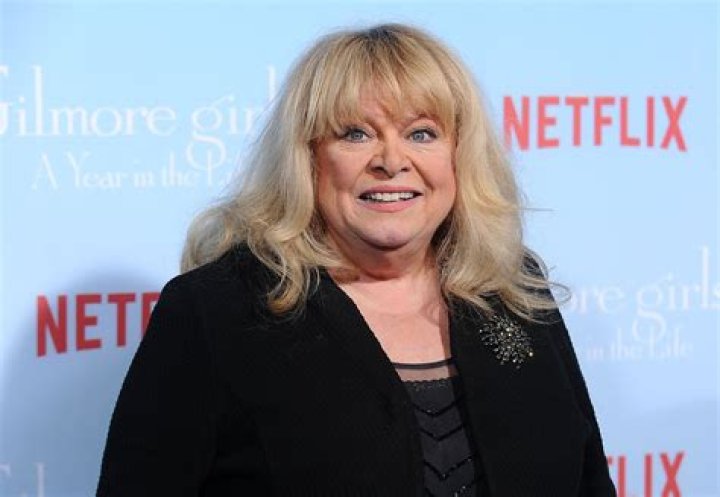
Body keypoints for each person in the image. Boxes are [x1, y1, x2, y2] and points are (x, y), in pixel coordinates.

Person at [96, 23, 616, 496]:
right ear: (308, 158)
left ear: (459, 155)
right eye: (355, 134)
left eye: (421, 133)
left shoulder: (510, 287)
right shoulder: (216, 310)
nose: (391, 161)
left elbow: (588, 482)